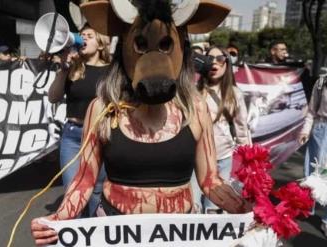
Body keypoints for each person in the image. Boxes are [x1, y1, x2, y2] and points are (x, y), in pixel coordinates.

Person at [30, 1, 250, 245]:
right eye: (141, 45)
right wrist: (58, 219)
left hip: (179, 235)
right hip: (115, 231)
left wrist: (247, 210)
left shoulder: (195, 108)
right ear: (126, 47)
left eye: (166, 44)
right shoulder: (102, 108)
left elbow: (211, 181)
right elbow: (83, 181)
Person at [47, 23, 111, 217]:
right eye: (81, 35)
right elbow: (53, 97)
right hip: (73, 137)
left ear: (101, 44)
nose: (83, 39)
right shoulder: (73, 69)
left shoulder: (112, 71)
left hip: (100, 136)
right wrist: (64, 69)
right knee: (72, 191)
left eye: (89, 36)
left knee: (95, 193)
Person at [195, 46, 251, 213]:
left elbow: (242, 128)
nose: (214, 63)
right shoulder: (193, 92)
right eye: (209, 58)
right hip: (196, 161)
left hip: (223, 159)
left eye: (220, 59)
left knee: (214, 208)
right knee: (194, 207)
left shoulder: (235, 93)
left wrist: (250, 160)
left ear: (227, 63)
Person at [298, 74, 327, 237]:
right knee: (313, 174)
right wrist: (305, 130)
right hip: (321, 131)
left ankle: (326, 220)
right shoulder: (322, 82)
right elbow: (311, 111)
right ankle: (306, 208)